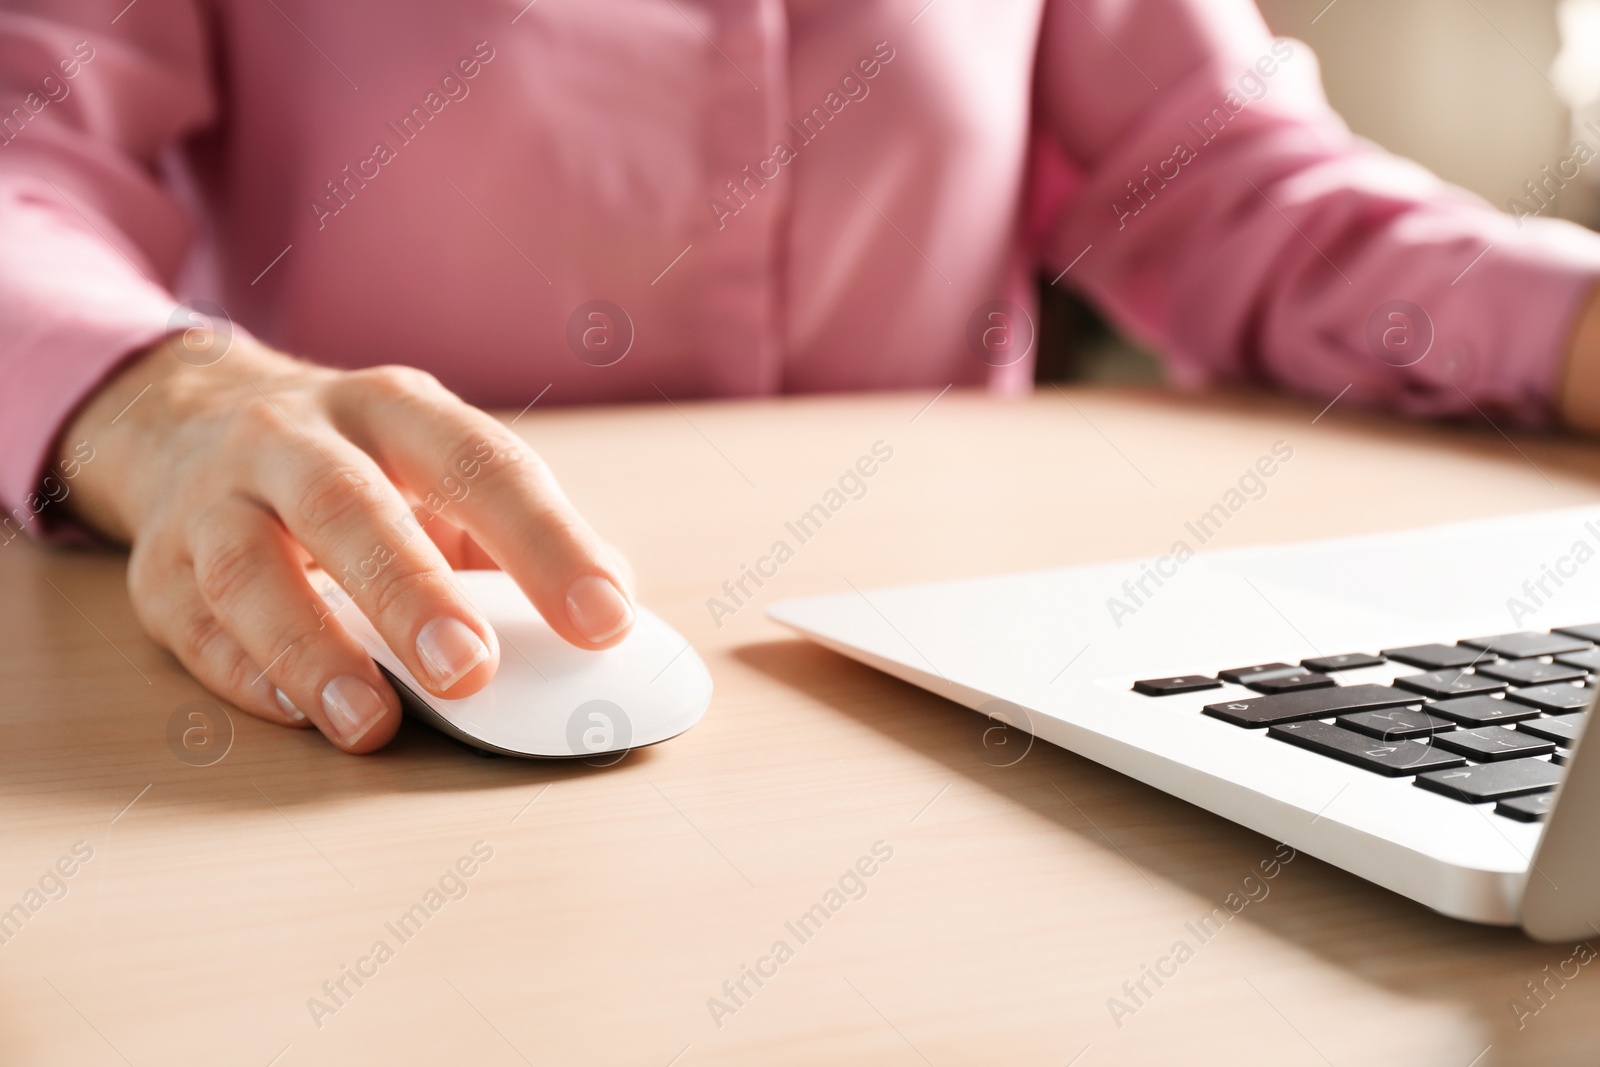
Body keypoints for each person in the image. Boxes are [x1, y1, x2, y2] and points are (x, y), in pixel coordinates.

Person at [5, 0, 1600, 754]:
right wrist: (167, 400)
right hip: (349, 651)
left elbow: (1241, 191)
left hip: (955, 706)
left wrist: (1574, 319)